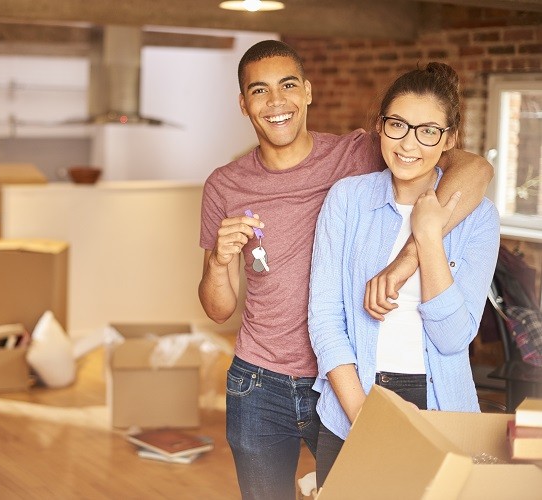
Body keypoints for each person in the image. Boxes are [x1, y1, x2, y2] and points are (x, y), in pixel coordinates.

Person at [198, 40, 493, 500]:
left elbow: (473, 168)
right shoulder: (225, 185)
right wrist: (219, 261)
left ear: (308, 92)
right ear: (243, 103)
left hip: (337, 379)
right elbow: (218, 310)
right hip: (261, 383)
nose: (276, 102)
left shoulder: (358, 154)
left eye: (288, 86)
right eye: (259, 91)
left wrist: (407, 260)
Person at [308, 61, 500, 489]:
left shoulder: (478, 218)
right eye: (397, 124)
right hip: (353, 404)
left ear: (449, 140)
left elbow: (453, 338)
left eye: (428, 130)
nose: (409, 142)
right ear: (380, 127)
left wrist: (429, 236)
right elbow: (324, 318)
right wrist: (363, 417)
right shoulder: (347, 200)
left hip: (442, 409)